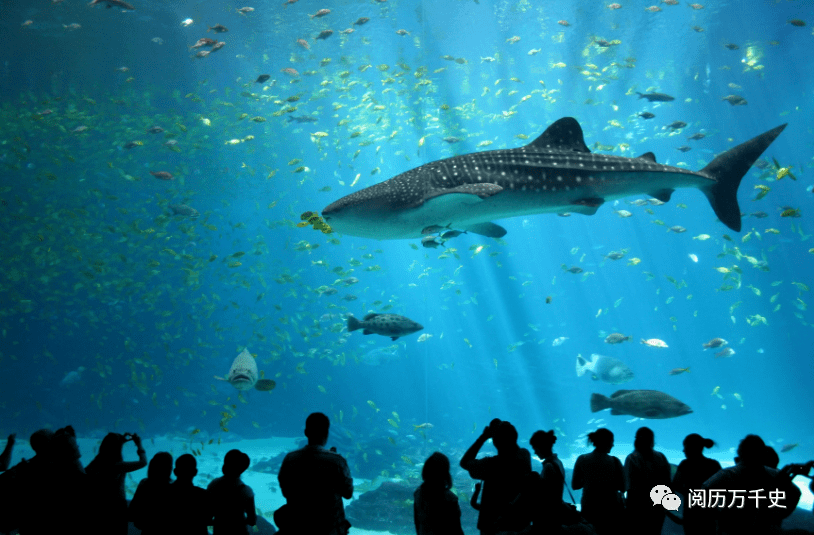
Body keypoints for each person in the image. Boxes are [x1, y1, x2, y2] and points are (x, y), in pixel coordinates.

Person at [701, 434, 802, 535]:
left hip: (732, 529)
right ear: (763, 453)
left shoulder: (728, 473)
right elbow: (796, 493)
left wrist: (716, 516)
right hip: (765, 529)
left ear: (739, 453)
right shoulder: (774, 473)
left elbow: (704, 491)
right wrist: (778, 515)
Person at [277, 412, 353, 535]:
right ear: (327, 434)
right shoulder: (337, 461)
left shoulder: (290, 459)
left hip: (298, 527)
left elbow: (286, 492)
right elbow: (348, 493)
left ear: (306, 432)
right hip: (330, 528)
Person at [460, 418, 532, 535]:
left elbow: (464, 462)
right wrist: (502, 430)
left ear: (495, 442)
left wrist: (483, 437)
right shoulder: (524, 456)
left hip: (492, 526)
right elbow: (513, 445)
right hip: (520, 523)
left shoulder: (491, 465)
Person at [84, 432, 148, 535]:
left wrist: (121, 442)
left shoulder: (98, 461)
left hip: (99, 506)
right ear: (117, 447)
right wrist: (139, 444)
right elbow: (143, 462)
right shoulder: (116, 466)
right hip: (116, 508)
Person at [572, 428, 625, 535]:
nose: (613, 445)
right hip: (611, 511)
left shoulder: (582, 459)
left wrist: (589, 480)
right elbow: (623, 487)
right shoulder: (615, 461)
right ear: (606, 442)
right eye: (611, 442)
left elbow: (575, 485)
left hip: (589, 509)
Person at [670, 434, 722, 535]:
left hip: (691, 514)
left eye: (685, 447)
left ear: (691, 448)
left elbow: (676, 485)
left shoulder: (685, 465)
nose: (683, 451)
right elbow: (723, 488)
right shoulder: (714, 465)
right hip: (710, 514)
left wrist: (689, 492)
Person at [624, 427, 671, 535]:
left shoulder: (632, 458)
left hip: (638, 508)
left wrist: (628, 508)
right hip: (659, 507)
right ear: (652, 440)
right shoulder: (661, 457)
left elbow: (631, 488)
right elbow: (668, 483)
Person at [413, 451, 465, 535]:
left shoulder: (418, 493)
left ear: (425, 470)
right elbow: (456, 528)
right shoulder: (450, 498)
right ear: (445, 473)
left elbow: (417, 522)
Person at [207, 449, 256, 535]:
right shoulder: (246, 491)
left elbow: (207, 517)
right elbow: (252, 521)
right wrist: (237, 522)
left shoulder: (213, 485)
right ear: (243, 469)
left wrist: (221, 522)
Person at [129, 451, 173, 535]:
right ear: (170, 469)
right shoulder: (173, 488)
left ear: (151, 466)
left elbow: (132, 512)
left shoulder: (144, 484)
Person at [166, 453, 211, 535]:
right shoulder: (203, 495)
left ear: (175, 472)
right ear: (195, 472)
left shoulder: (163, 493)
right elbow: (208, 519)